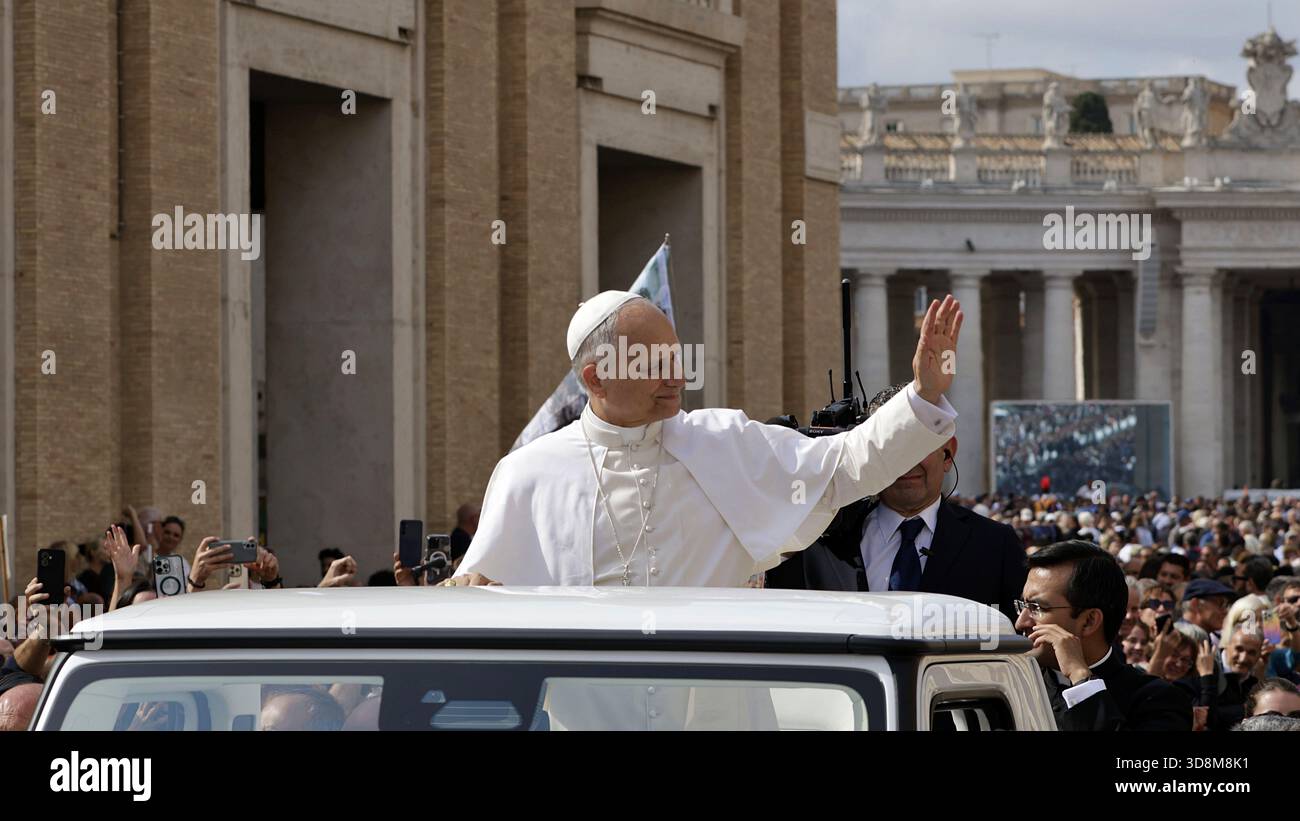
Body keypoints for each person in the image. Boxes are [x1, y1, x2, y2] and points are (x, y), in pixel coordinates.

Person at [450, 293, 965, 588]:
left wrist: (921, 394)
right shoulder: (528, 474)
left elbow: (845, 466)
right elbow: (483, 602)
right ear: (596, 378)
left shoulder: (722, 443)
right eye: (654, 365)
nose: (677, 376)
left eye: (677, 357)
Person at [766, 381, 1026, 622]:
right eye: (893, 449)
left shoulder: (995, 546)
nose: (906, 462)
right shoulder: (813, 542)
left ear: (948, 454)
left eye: (918, 446)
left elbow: (1022, 646)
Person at [1016, 540, 1191, 730]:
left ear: (1090, 621)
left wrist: (1081, 678)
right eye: (1022, 606)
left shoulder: (1159, 701)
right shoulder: (1013, 684)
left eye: (1037, 608)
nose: (1021, 622)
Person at [1179, 578, 1236, 648]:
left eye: (1226, 605)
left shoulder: (1207, 639)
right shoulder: (1180, 637)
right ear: (1195, 604)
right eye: (1221, 604)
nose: (1225, 611)